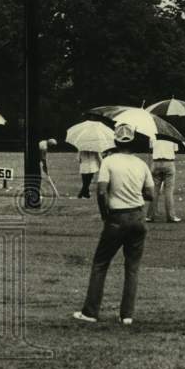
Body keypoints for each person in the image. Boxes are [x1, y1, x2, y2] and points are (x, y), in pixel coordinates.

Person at [73, 123, 155, 326]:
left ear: (115, 141)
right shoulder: (141, 164)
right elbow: (151, 194)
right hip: (138, 217)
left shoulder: (109, 162)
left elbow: (101, 191)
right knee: (132, 267)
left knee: (100, 264)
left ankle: (90, 312)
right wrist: (136, 193)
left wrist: (104, 214)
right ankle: (127, 315)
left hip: (117, 218)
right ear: (133, 141)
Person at [146, 137, 180, 223]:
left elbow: (151, 148)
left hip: (156, 163)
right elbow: (175, 150)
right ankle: (171, 216)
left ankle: (150, 216)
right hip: (169, 163)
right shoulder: (172, 136)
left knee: (154, 191)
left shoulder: (152, 134)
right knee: (168, 191)